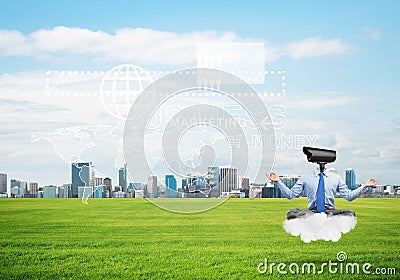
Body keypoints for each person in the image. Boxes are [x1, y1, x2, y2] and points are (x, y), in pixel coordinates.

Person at [266, 168, 378, 219]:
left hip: (330, 210)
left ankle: (322, 218)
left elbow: (349, 197)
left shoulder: (335, 178)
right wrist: (278, 181)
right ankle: (323, 219)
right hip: (312, 211)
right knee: (291, 213)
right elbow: (290, 195)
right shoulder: (306, 177)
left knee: (350, 213)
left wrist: (365, 186)